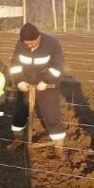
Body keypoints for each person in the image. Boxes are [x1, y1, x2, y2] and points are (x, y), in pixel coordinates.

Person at [8, 23, 66, 151]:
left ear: (38, 37)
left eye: (31, 43)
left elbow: (58, 67)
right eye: (26, 44)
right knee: (19, 112)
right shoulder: (20, 45)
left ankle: (58, 145)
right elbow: (15, 64)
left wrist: (46, 81)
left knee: (52, 114)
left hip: (47, 86)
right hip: (27, 85)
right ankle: (17, 139)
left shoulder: (52, 44)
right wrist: (20, 81)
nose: (29, 46)